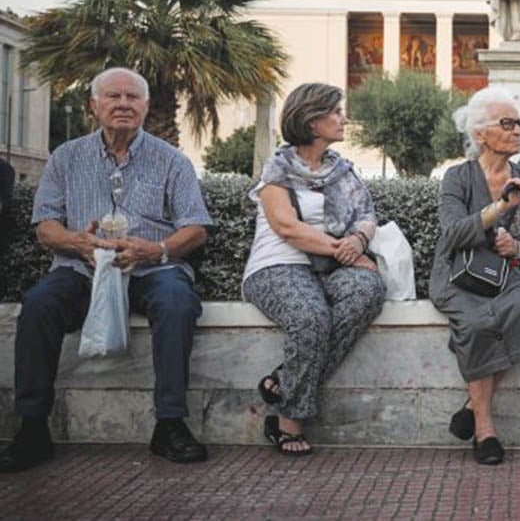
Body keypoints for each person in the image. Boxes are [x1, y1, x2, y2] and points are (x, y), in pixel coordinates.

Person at [0, 67, 212, 472]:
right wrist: (75, 242)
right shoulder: (65, 157)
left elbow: (196, 227)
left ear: (146, 107)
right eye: (113, 96)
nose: (123, 104)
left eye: (132, 97)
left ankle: (170, 424)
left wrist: (157, 249)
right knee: (39, 305)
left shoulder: (173, 161)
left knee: (177, 303)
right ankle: (31, 428)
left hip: (151, 269)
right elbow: (45, 225)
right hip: (81, 269)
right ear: (93, 105)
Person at [242, 83, 385, 456]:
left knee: (368, 290)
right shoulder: (277, 170)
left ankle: (283, 379)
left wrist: (359, 241)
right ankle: (289, 420)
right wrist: (346, 249)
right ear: (311, 121)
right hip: (279, 264)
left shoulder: (342, 170)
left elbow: (367, 215)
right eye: (336, 112)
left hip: (332, 265)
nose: (344, 119)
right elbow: (287, 228)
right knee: (310, 316)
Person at [429, 86, 520, 465]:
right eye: (508, 123)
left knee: (519, 310)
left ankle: (472, 406)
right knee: (478, 322)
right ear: (480, 134)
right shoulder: (457, 177)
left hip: (507, 273)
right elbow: (451, 234)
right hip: (458, 273)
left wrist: (517, 248)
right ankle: (485, 429)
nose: (518, 131)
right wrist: (500, 207)